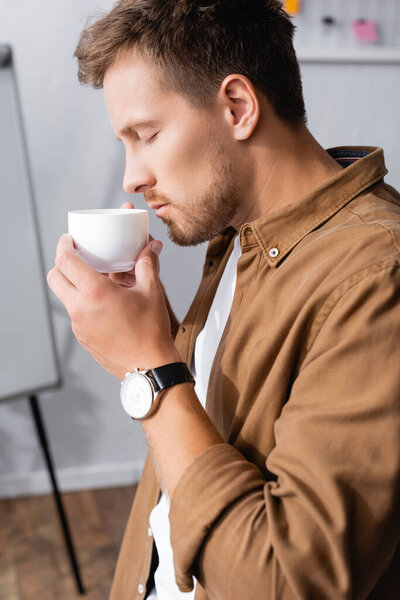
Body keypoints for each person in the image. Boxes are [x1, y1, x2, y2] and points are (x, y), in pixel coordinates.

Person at [47, 1, 400, 598]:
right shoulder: (239, 235)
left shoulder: (376, 279)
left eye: (146, 134)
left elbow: (286, 580)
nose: (132, 177)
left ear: (238, 107)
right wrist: (156, 342)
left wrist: (149, 370)